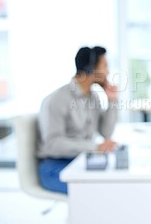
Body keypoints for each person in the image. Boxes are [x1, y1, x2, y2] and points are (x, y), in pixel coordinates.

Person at [37, 46, 119, 194]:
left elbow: (106, 132)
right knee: (95, 192)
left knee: (112, 184)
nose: (107, 72)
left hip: (80, 161)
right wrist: (94, 147)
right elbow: (53, 145)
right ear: (90, 68)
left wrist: (112, 101)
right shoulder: (57, 100)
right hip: (54, 167)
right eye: (105, 66)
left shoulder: (93, 97)